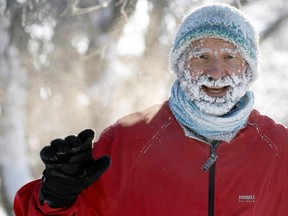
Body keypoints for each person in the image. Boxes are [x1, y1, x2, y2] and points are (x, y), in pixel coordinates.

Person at [14, 3, 288, 216]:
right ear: (180, 66)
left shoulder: (280, 149)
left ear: (250, 68)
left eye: (230, 56)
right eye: (201, 57)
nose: (216, 72)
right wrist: (56, 197)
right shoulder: (129, 140)